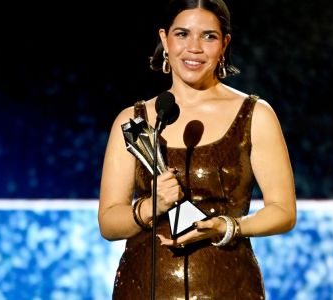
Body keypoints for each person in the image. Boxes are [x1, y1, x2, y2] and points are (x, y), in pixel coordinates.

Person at [98, 0, 296, 298]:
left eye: (208, 36)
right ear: (164, 39)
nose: (194, 47)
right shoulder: (134, 121)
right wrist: (150, 208)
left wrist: (228, 227)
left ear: (224, 43)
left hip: (229, 285)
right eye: (182, 34)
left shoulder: (255, 115)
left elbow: (283, 212)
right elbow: (109, 222)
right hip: (143, 287)